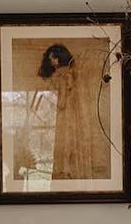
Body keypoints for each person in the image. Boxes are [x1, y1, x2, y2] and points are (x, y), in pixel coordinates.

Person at [38, 43, 99, 181]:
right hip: (77, 119)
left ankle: (67, 173)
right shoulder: (74, 74)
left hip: (67, 120)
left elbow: (61, 104)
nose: (52, 62)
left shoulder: (64, 76)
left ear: (59, 58)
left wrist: (49, 99)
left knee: (66, 144)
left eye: (53, 58)